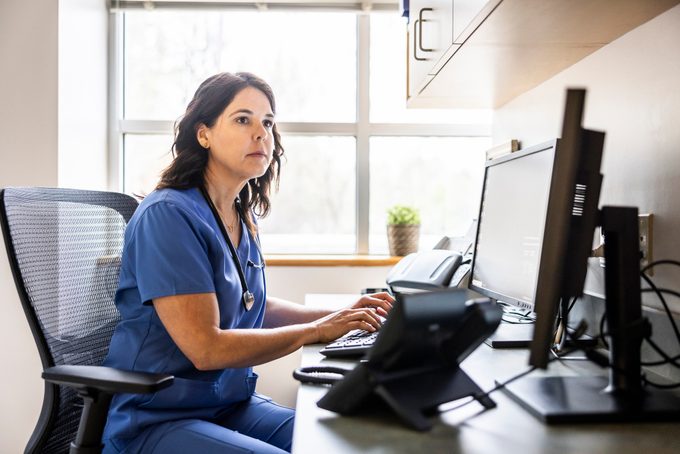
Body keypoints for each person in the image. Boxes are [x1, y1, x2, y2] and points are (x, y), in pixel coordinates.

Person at [101, 72, 394, 453]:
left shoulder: (240, 214)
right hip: (155, 418)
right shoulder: (168, 216)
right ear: (203, 133)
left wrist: (343, 314)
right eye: (243, 119)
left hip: (225, 406)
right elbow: (207, 349)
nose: (261, 133)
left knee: (347, 441)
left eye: (268, 122)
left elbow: (254, 305)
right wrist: (319, 330)